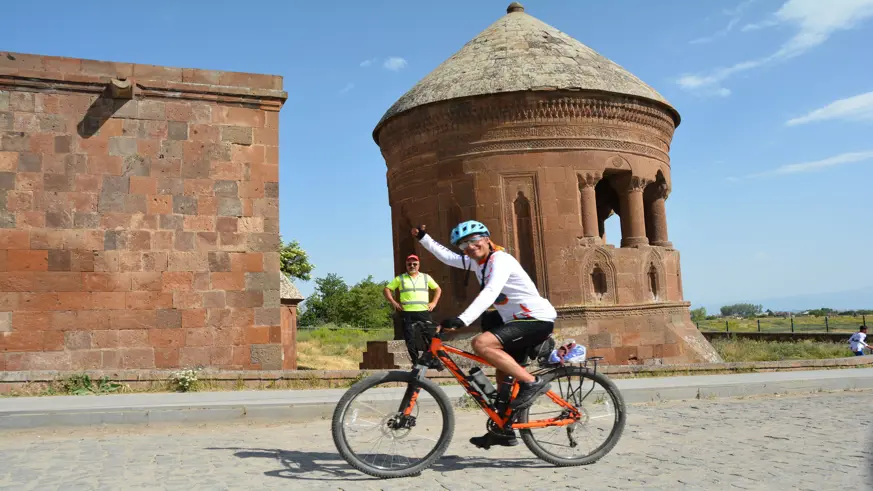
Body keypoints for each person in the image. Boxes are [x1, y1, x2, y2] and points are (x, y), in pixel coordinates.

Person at [411, 220, 557, 449]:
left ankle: (532, 383)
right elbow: (448, 258)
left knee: (481, 343)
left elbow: (491, 291)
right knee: (503, 375)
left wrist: (463, 320)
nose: (469, 247)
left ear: (487, 239)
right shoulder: (479, 263)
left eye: (474, 240)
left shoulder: (500, 260)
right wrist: (424, 239)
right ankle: (503, 430)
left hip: (536, 319)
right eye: (463, 244)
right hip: (515, 321)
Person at [384, 254, 442, 366]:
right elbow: (387, 289)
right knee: (410, 339)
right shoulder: (400, 278)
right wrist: (394, 303)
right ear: (406, 265)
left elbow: (438, 289)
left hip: (423, 312)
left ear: (418, 265)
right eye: (409, 264)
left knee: (430, 337)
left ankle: (432, 360)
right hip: (407, 313)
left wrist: (434, 302)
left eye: (414, 264)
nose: (412, 266)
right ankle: (416, 362)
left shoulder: (426, 277)